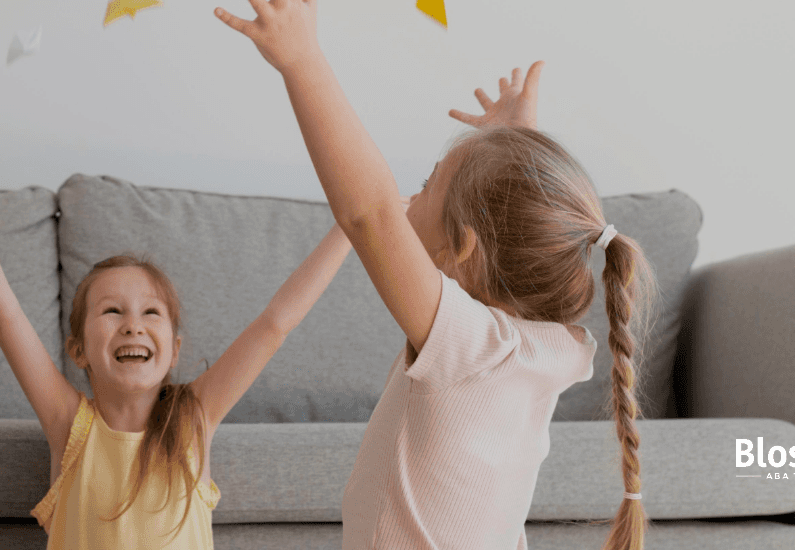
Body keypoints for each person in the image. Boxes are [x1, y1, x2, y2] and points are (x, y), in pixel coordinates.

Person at [216, 2, 656, 548]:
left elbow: (369, 213)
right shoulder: (552, 349)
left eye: (428, 184)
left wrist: (302, 61)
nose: (412, 197)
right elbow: (523, 236)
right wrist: (513, 145)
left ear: (461, 250)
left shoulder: (471, 350)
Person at [0, 135, 353, 548]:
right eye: (112, 311)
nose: (133, 325)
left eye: (151, 312)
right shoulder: (71, 425)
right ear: (78, 350)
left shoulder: (194, 419)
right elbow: (4, 315)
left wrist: (350, 227)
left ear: (175, 349)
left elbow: (274, 325)